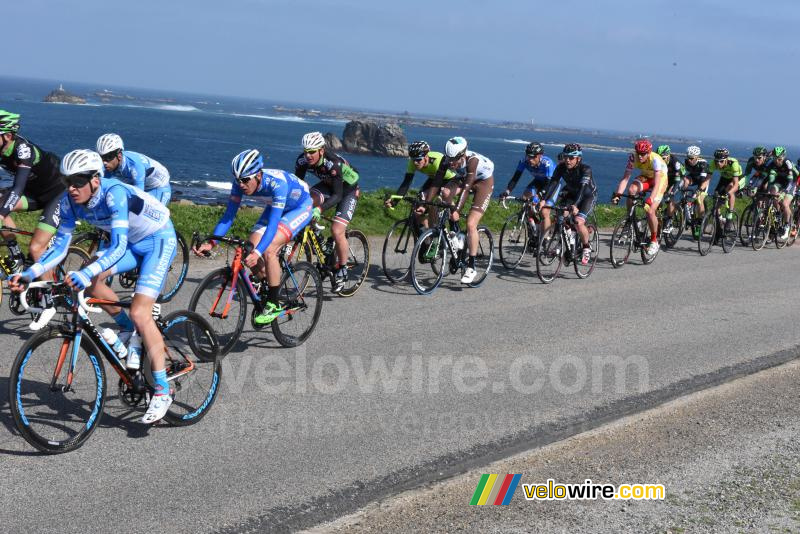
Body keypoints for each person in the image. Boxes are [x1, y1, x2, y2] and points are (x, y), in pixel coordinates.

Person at [8, 149, 177, 424]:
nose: (71, 188)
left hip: (157, 239)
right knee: (92, 283)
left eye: (77, 181)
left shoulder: (115, 194)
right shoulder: (69, 201)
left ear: (95, 180)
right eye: (67, 181)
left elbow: (119, 245)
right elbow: (60, 246)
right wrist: (31, 273)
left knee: (140, 313)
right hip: (131, 243)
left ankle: (161, 390)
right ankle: (126, 329)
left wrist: (86, 272)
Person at [193, 149, 312, 324]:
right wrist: (212, 243)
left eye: (245, 180)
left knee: (269, 250)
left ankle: (273, 303)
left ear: (258, 176)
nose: (241, 184)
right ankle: (269, 285)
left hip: (299, 207)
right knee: (249, 248)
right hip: (275, 205)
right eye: (237, 179)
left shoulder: (277, 184)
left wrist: (258, 253)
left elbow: (272, 227)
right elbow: (228, 216)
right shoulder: (240, 184)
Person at [0, 109, 65, 275]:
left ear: (7, 136)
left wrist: (1, 215)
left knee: (36, 249)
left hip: (56, 194)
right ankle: (16, 255)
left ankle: (51, 297)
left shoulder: (23, 150)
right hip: (33, 194)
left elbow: (18, 188)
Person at [294, 132, 359, 292]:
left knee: (337, 230)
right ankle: (317, 235)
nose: (307, 155)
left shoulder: (333, 163)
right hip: (329, 184)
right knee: (307, 200)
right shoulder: (302, 161)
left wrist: (319, 209)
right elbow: (299, 187)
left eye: (312, 151)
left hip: (348, 190)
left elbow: (337, 196)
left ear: (321, 150)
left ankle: (342, 270)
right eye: (305, 151)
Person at [433, 136, 494, 284]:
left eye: (455, 159)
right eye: (449, 159)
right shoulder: (448, 160)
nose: (451, 163)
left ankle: (471, 267)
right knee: (446, 193)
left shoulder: (472, 160)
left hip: (483, 182)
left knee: (471, 224)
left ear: (463, 154)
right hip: (465, 177)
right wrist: (426, 202)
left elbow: (467, 189)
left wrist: (457, 210)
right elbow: (436, 182)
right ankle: (456, 233)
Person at [540, 143, 598, 265]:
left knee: (578, 221)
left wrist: (575, 205)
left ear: (578, 159)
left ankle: (586, 247)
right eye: (566, 157)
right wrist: (544, 200)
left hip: (587, 196)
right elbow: (553, 183)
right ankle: (569, 243)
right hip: (572, 194)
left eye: (571, 158)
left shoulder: (585, 169)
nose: (567, 160)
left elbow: (582, 189)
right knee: (561, 216)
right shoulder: (561, 167)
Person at [612, 138, 668, 256]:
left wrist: (650, 199)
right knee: (632, 190)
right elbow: (626, 178)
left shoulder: (655, 159)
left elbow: (657, 184)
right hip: (646, 176)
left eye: (643, 154)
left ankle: (654, 240)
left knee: (650, 210)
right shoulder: (633, 157)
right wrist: (618, 194)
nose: (640, 156)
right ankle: (630, 219)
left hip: (660, 179)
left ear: (649, 153)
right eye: (639, 153)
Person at [384, 140, 456, 229]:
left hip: (449, 179)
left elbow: (438, 183)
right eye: (413, 160)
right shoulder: (413, 163)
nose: (415, 163)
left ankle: (453, 224)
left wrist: (427, 202)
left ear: (426, 156)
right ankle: (426, 236)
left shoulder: (436, 162)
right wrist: (395, 201)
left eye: (418, 160)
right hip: (434, 178)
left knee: (436, 198)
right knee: (419, 202)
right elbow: (406, 182)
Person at [96, 133, 172, 205]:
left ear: (119, 156)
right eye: (101, 158)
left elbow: (138, 196)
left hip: (158, 186)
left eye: (108, 157)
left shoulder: (135, 165)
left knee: (148, 212)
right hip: (140, 181)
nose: (104, 162)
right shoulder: (108, 164)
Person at [706, 147, 742, 232]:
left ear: (726, 159)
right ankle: (720, 219)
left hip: (736, 178)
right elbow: (707, 180)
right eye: (717, 161)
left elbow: (736, 184)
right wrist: (701, 191)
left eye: (721, 161)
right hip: (724, 178)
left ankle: (729, 216)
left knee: (729, 189)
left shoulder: (733, 163)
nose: (718, 164)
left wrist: (729, 193)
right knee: (716, 196)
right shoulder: (713, 163)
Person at [764, 146, 795, 240]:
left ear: (783, 157)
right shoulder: (771, 163)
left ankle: (787, 226)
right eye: (775, 159)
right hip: (779, 182)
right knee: (772, 192)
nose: (777, 161)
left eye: (779, 159)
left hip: (791, 183)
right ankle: (777, 213)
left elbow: (790, 181)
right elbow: (765, 176)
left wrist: (783, 193)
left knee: (785, 204)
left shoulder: (787, 163)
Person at [681, 145, 712, 238]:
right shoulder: (686, 162)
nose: (689, 160)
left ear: (697, 157)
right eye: (688, 158)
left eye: (691, 158)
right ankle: (685, 203)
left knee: (699, 199)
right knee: (684, 181)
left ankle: (700, 220)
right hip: (693, 178)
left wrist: (696, 192)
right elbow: (682, 174)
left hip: (703, 181)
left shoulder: (703, 164)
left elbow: (703, 182)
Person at [657, 144, 687, 234]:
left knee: (670, 198)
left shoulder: (675, 162)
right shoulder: (658, 161)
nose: (661, 160)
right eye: (660, 158)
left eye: (663, 158)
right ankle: (659, 215)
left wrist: (672, 191)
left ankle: (670, 221)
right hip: (667, 178)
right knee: (658, 197)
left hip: (679, 179)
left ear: (668, 155)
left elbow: (677, 181)